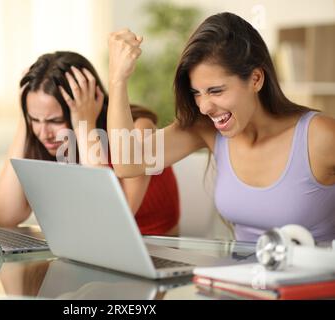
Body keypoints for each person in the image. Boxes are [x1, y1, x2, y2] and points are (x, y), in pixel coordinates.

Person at [107, 12, 335, 242]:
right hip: (232, 276)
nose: (204, 107)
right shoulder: (207, 129)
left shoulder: (320, 136)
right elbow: (128, 164)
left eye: (216, 91)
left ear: (255, 79)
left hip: (312, 278)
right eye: (197, 93)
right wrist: (117, 80)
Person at [0, 51, 180, 235]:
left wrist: (84, 125)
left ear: (88, 102)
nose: (44, 134)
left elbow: (115, 220)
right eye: (35, 119)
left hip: (151, 250)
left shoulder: (139, 129)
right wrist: (24, 122)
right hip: (87, 246)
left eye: (55, 121)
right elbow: (6, 217)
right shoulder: (46, 137)